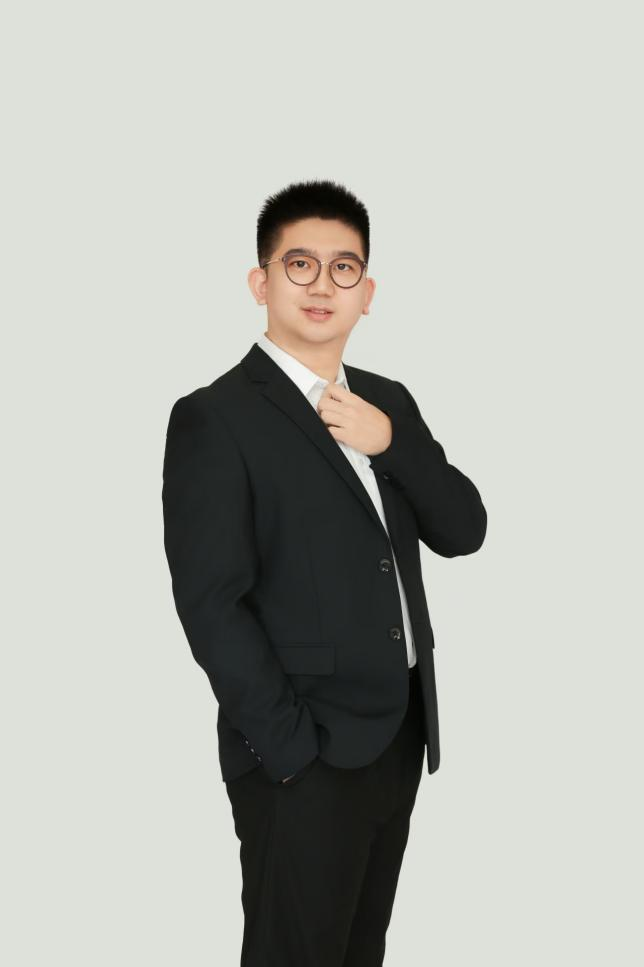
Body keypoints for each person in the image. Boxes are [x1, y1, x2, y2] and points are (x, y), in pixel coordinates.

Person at [162, 179, 487, 966]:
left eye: (344, 268)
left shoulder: (387, 402)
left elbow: (464, 529)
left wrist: (391, 443)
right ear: (261, 282)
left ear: (367, 294)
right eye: (299, 263)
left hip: (398, 736)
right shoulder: (216, 417)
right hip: (302, 752)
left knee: (359, 951)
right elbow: (211, 603)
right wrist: (288, 747)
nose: (321, 284)